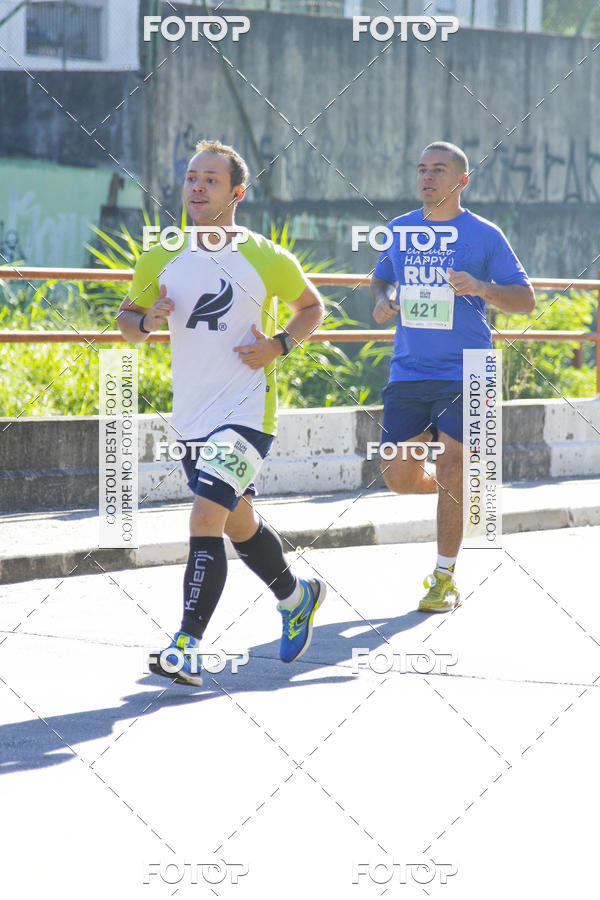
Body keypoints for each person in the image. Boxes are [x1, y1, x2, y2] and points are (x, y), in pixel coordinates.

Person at [117, 139, 326, 684]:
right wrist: (147, 321)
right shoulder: (162, 252)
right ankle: (296, 595)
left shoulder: (264, 255)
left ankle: (186, 645)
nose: (196, 187)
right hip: (190, 415)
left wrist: (279, 345)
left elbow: (312, 308)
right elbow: (127, 321)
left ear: (236, 192)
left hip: (246, 414)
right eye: (190, 178)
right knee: (237, 522)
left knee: (205, 518)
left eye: (209, 179)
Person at [370, 141, 535, 612]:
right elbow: (382, 277)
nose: (427, 177)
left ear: (461, 180)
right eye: (421, 169)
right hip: (409, 370)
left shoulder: (484, 235)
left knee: (453, 465)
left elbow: (525, 300)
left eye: (438, 170)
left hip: (469, 368)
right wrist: (383, 299)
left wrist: (483, 287)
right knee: (398, 477)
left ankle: (443, 577)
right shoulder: (400, 230)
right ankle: (456, 497)